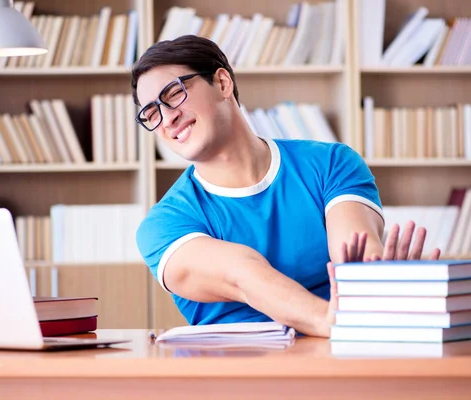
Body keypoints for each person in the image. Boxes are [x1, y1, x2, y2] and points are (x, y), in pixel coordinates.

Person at [132, 35, 441, 338]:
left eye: (173, 94)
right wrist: (331, 320)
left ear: (223, 83)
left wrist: (378, 284)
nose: (167, 118)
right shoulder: (162, 226)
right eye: (151, 113)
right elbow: (243, 275)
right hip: (238, 380)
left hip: (344, 362)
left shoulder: (330, 163)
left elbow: (355, 253)